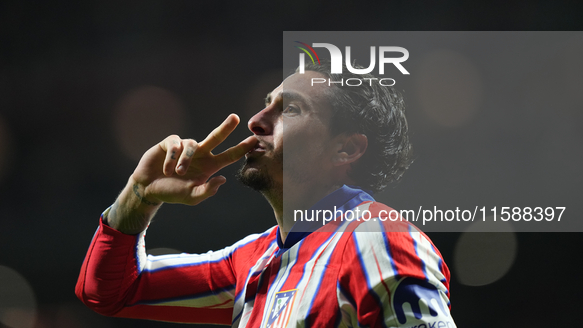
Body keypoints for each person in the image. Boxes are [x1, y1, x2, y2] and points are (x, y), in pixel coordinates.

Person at [76, 61, 457, 327]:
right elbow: (111, 292)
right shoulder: (252, 261)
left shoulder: (377, 239)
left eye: (290, 109)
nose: (256, 122)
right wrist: (140, 195)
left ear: (346, 149)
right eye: (266, 105)